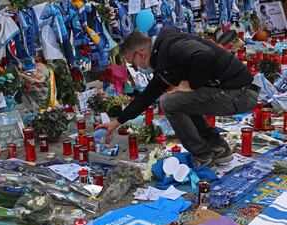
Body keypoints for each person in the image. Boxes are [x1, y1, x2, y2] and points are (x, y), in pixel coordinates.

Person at [96, 27, 260, 167]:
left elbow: (206, 55)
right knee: (179, 99)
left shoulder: (171, 47)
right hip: (235, 91)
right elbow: (147, 96)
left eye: (132, 63)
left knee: (169, 102)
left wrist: (191, 84)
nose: (136, 69)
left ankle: (203, 156)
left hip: (240, 93)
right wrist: (117, 122)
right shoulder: (162, 60)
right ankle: (218, 148)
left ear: (141, 54)